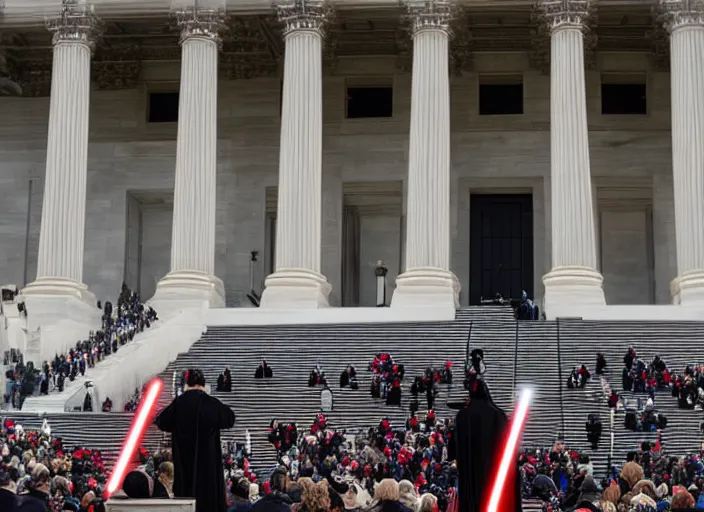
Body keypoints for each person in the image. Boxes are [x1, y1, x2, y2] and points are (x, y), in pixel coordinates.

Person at [155, 368, 236, 512]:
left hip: (184, 472)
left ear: (187, 383)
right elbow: (230, 418)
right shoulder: (211, 404)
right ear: (202, 384)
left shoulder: (178, 404)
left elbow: (161, 421)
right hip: (209, 474)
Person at [454, 379, 520, 512]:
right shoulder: (499, 415)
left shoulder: (462, 416)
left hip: (470, 475)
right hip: (494, 473)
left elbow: (455, 450)